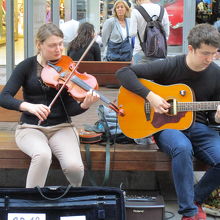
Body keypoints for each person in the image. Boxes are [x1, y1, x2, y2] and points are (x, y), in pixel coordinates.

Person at [116, 23, 220, 220]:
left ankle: (194, 199)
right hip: (166, 127)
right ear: (191, 48)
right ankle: (189, 213)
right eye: (205, 53)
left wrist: (217, 118)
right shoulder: (170, 65)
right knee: (182, 147)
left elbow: (213, 119)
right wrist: (150, 97)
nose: (210, 58)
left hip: (198, 126)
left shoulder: (216, 74)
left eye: (214, 53)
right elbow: (123, 73)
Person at [0, 23, 100, 188]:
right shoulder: (26, 66)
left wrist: (84, 105)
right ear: (39, 45)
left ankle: (74, 199)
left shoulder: (66, 67)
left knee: (74, 166)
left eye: (61, 44)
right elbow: (4, 97)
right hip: (30, 128)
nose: (58, 49)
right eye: (52, 45)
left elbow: (69, 109)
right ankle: (32, 204)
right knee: (42, 155)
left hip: (61, 127)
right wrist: (28, 106)